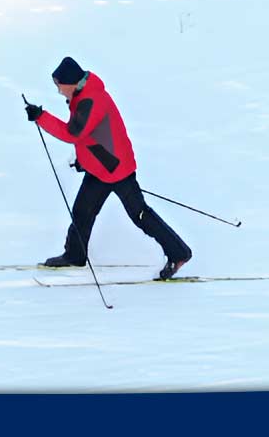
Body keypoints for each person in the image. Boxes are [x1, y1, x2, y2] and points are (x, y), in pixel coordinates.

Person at [24, 56, 192, 280]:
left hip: (116, 169)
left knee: (140, 215)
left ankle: (179, 253)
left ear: (70, 82)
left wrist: (41, 117)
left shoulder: (90, 99)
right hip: (101, 168)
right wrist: (83, 160)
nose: (58, 91)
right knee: (82, 211)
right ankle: (75, 255)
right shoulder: (83, 95)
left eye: (58, 85)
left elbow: (73, 133)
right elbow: (94, 135)